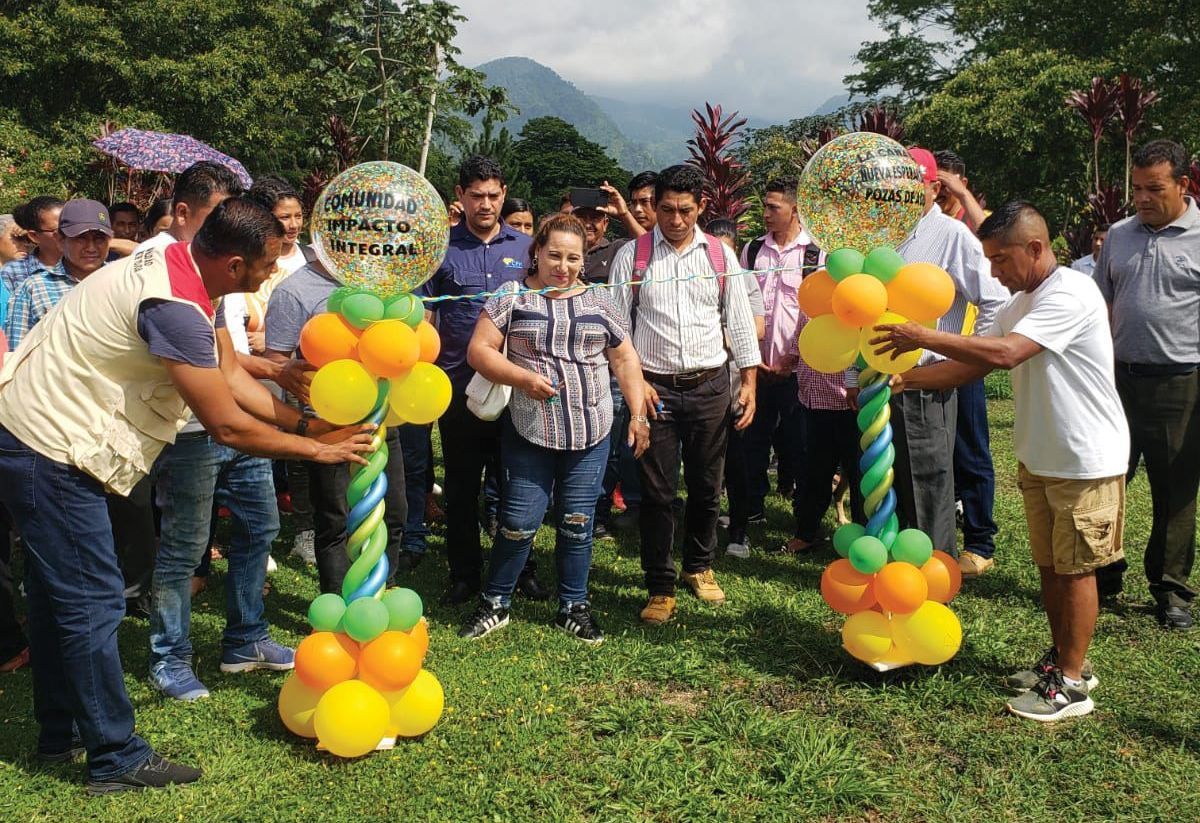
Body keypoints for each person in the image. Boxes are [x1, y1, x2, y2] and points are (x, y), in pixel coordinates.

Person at [0, 197, 373, 792]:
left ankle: (59, 731)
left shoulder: (177, 263)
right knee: (94, 601)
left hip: (35, 434)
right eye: (260, 269)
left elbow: (227, 373)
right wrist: (318, 451)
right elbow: (225, 422)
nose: (266, 279)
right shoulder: (174, 304)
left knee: (56, 597)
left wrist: (306, 425)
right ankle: (114, 755)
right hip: (50, 448)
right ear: (231, 263)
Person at [874, 201, 1127, 721]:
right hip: (1042, 456)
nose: (992, 272)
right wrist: (903, 379)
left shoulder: (1071, 294)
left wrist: (921, 336)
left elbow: (1007, 354)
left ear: (1035, 248)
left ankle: (1074, 683)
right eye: (988, 260)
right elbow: (969, 365)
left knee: (1078, 569)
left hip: (1084, 459)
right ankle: (1059, 661)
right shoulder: (1021, 303)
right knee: (1052, 567)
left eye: (1000, 260)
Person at [459, 214, 649, 642]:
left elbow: (624, 359)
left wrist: (637, 414)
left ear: (584, 260)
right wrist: (521, 378)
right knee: (518, 520)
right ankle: (495, 602)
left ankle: (573, 605)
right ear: (537, 253)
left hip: (592, 433)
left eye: (573, 258)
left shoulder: (600, 302)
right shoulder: (512, 297)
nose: (563, 266)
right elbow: (480, 350)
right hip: (531, 431)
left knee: (578, 522)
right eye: (554, 255)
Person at [610, 165, 761, 623]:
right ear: (653, 207)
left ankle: (699, 565)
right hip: (655, 391)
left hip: (711, 386)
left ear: (700, 208)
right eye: (667, 210)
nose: (675, 220)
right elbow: (617, 332)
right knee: (656, 492)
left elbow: (738, 320)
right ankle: (660, 585)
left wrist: (750, 382)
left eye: (686, 211)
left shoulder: (719, 256)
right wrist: (637, 392)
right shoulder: (632, 257)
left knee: (706, 485)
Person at [850, 148, 1007, 565]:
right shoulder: (877, 233)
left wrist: (964, 359)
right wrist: (855, 377)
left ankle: (933, 575)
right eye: (890, 187)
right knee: (883, 485)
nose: (895, 195)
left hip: (923, 385)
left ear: (934, 187)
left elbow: (995, 300)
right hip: (875, 387)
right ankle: (890, 572)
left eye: (908, 186)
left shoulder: (951, 236)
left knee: (928, 484)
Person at [419, 155, 549, 604]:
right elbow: (423, 316)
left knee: (518, 483)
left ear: (503, 191)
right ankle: (464, 573)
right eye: (476, 196)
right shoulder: (440, 249)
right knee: (460, 484)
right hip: (457, 386)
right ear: (460, 196)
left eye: (494, 195)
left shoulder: (527, 247)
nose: (486, 204)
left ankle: (522, 568)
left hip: (517, 386)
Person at [1093, 139, 1200, 629]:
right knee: (1107, 479)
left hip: (1181, 382)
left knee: (1175, 488)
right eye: (1136, 188)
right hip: (1117, 379)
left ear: (1183, 184)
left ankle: (1171, 589)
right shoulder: (1119, 235)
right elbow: (1098, 305)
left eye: (1154, 188)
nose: (1142, 198)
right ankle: (1103, 571)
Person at [264, 246, 409, 599]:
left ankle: (383, 594)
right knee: (337, 521)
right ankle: (340, 608)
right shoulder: (295, 290)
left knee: (395, 513)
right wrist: (306, 424)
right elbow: (277, 365)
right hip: (330, 427)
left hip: (382, 421)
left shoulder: (380, 284)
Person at [930, 149, 1002, 576]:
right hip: (927, 365)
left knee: (970, 450)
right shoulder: (920, 229)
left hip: (964, 355)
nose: (938, 190)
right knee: (938, 455)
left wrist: (962, 193)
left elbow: (991, 236)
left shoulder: (968, 225)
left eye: (945, 183)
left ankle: (980, 540)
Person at [739, 177, 817, 544]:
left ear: (796, 209)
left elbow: (819, 314)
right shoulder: (752, 251)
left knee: (801, 445)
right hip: (758, 368)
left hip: (800, 371)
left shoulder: (816, 254)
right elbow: (741, 306)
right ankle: (750, 509)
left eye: (774, 207)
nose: (766, 214)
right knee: (751, 442)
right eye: (765, 207)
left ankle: (804, 518)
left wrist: (793, 358)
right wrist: (752, 359)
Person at [707, 218, 765, 557]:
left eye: (727, 253)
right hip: (701, 387)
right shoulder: (692, 277)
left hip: (735, 384)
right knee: (705, 465)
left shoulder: (745, 280)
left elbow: (756, 328)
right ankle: (706, 528)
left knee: (739, 463)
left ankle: (739, 532)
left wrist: (714, 337)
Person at [6, 199, 113, 348]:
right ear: (60, 240)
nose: (91, 248)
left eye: (99, 239)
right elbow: (16, 352)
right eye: (80, 239)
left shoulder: (123, 281)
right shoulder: (34, 288)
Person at [1, 196, 63, 300]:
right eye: (19, 238)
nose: (26, 244)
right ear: (34, 235)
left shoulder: (84, 262)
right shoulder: (12, 273)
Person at [933, 150, 988, 233]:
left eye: (943, 184)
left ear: (963, 184)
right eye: (933, 183)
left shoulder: (984, 219)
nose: (936, 191)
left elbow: (988, 237)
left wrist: (963, 194)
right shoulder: (920, 218)